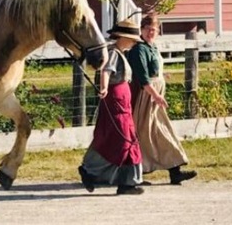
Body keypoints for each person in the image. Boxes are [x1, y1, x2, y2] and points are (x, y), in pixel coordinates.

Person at [127, 14, 197, 185]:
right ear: (142, 30)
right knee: (144, 134)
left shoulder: (152, 47)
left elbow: (154, 70)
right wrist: (156, 96)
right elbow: (143, 79)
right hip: (146, 97)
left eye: (154, 29)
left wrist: (161, 77)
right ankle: (138, 174)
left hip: (155, 96)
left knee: (163, 131)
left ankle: (175, 171)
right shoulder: (139, 50)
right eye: (148, 29)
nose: (151, 32)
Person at [78, 19, 145, 196]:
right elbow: (106, 71)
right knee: (121, 139)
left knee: (128, 139)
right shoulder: (113, 52)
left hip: (122, 102)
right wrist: (104, 87)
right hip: (116, 100)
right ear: (122, 37)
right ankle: (90, 171)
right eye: (132, 39)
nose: (133, 43)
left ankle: (127, 182)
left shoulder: (120, 52)